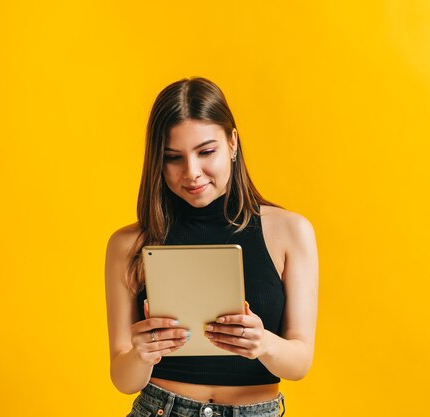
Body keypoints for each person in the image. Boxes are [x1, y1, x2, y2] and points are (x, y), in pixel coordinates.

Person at [105, 76, 319, 417]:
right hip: (160, 408)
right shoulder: (128, 244)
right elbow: (123, 378)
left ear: (232, 142)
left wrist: (262, 343)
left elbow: (299, 363)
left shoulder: (291, 231)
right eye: (173, 157)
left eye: (206, 151)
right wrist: (141, 354)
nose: (191, 172)